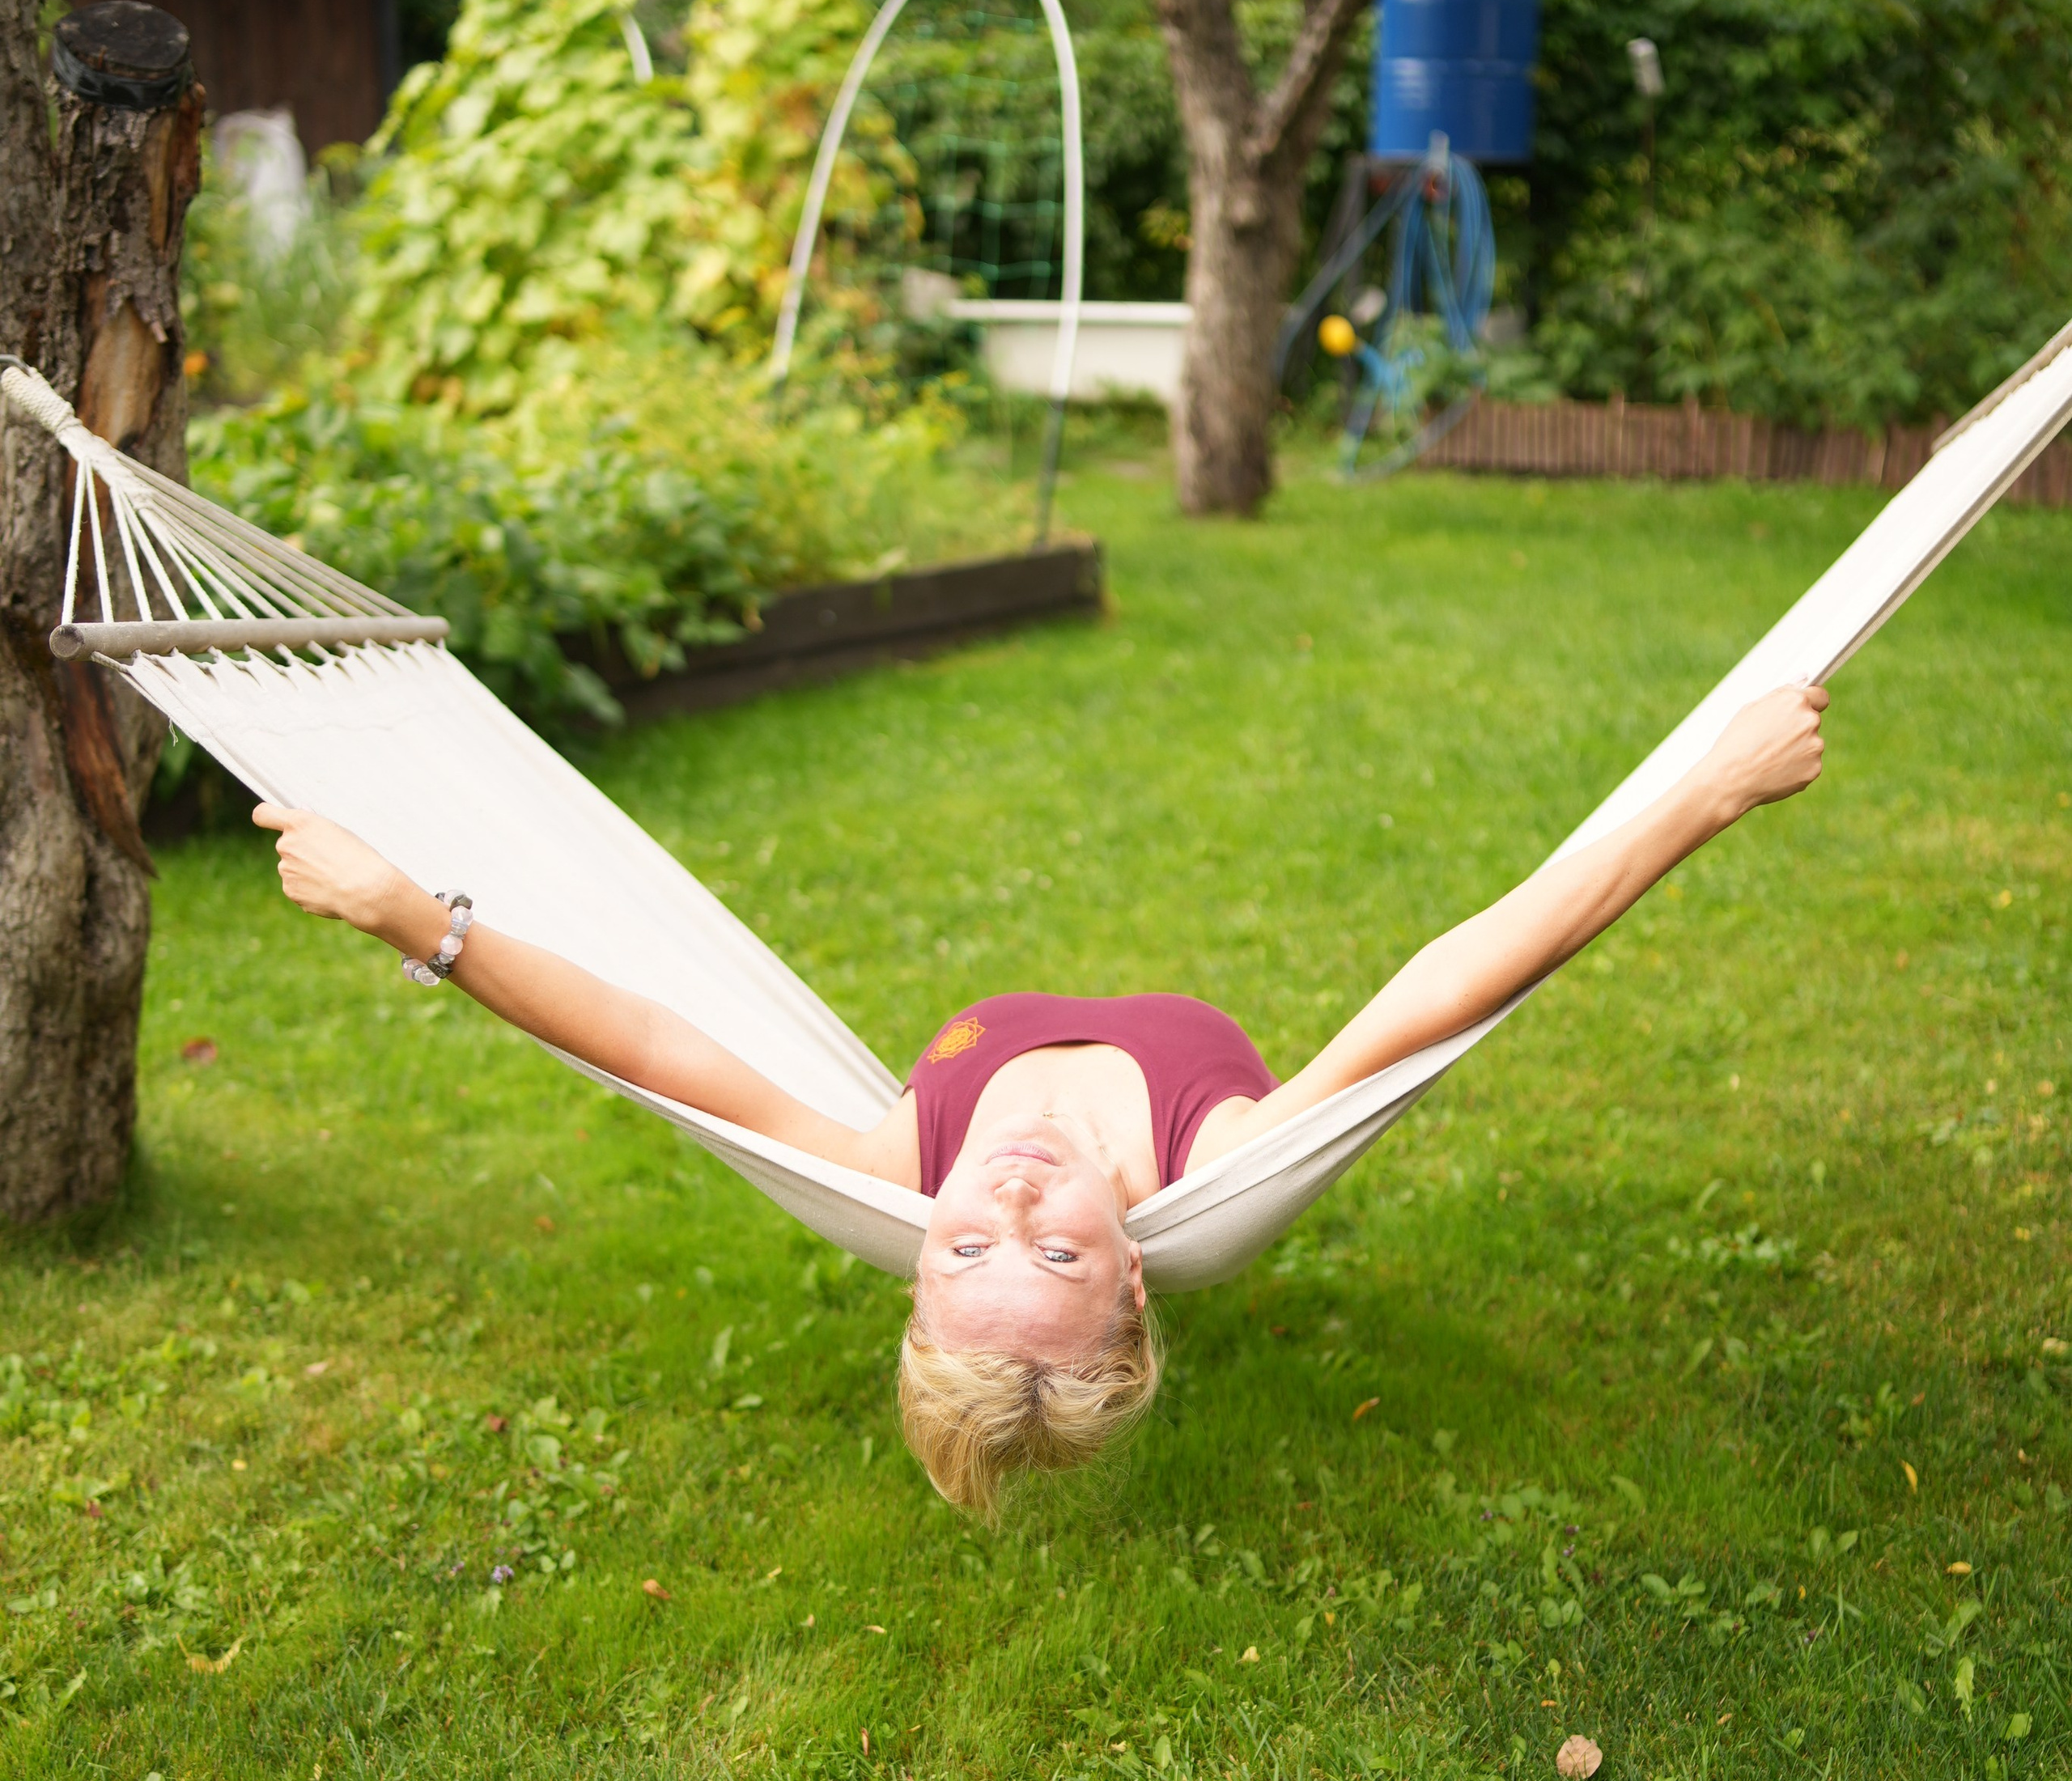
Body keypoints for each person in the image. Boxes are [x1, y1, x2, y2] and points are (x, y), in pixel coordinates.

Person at [253, 677, 1828, 1515]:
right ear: (1136, 1269)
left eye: (960, 1260)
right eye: (1056, 1260)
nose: (999, 1210)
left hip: (465, 928)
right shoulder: (1216, 1162)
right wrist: (1704, 788)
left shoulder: (899, 1163)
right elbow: (1454, 980)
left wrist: (419, 918)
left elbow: (663, 1054)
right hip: (1184, 1089)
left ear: (912, 1257)